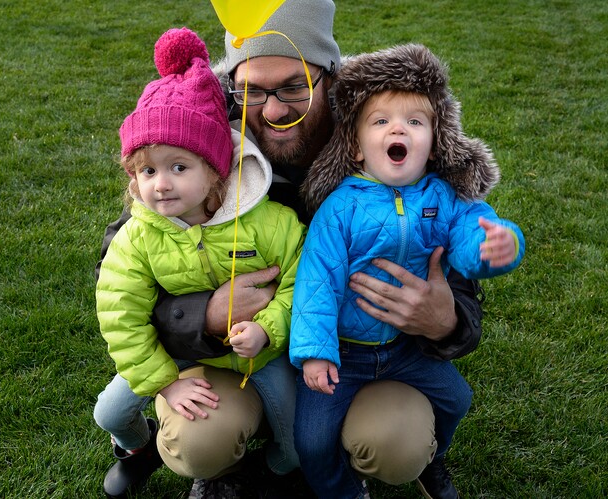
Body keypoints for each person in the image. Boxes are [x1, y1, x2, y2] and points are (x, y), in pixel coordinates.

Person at [97, 1, 486, 498]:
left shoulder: (387, 135)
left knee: (395, 441)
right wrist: (204, 315)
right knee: (203, 437)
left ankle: (416, 450)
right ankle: (219, 472)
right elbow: (117, 262)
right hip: (236, 355)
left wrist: (448, 320)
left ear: (330, 75)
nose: (275, 109)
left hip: (359, 356)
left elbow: (455, 263)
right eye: (253, 90)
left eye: (295, 86)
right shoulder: (198, 136)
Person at [289, 44, 525, 499]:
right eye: (381, 121)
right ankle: (343, 492)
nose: (399, 127)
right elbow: (317, 281)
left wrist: (498, 245)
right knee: (312, 440)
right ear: (356, 148)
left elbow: (470, 237)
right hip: (343, 354)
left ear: (434, 142)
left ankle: (432, 460)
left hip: (403, 348)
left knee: (457, 399)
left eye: (415, 122)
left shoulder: (443, 198)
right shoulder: (340, 208)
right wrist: (316, 352)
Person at [93, 27, 306, 499]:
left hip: (257, 353)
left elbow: (298, 278)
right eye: (147, 170)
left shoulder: (267, 222)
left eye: (179, 167)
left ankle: (277, 465)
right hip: (174, 352)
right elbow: (119, 313)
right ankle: (137, 448)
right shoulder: (139, 233)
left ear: (216, 169)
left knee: (295, 431)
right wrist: (165, 383)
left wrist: (268, 327)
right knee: (108, 413)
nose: (161, 185)